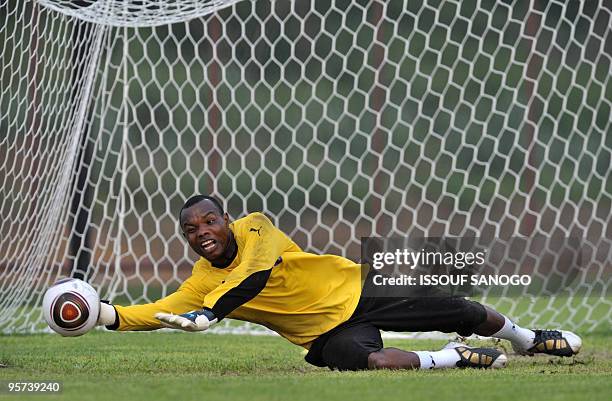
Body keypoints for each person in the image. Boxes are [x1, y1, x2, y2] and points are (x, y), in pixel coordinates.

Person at [96, 195, 581, 371]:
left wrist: (209, 312)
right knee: (366, 362)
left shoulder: (257, 226)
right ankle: (450, 357)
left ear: (227, 218)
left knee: (466, 310)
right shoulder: (202, 283)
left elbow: (254, 275)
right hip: (325, 334)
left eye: (209, 222)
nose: (202, 234)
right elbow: (156, 310)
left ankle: (528, 339)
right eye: (191, 230)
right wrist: (102, 314)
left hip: (357, 289)